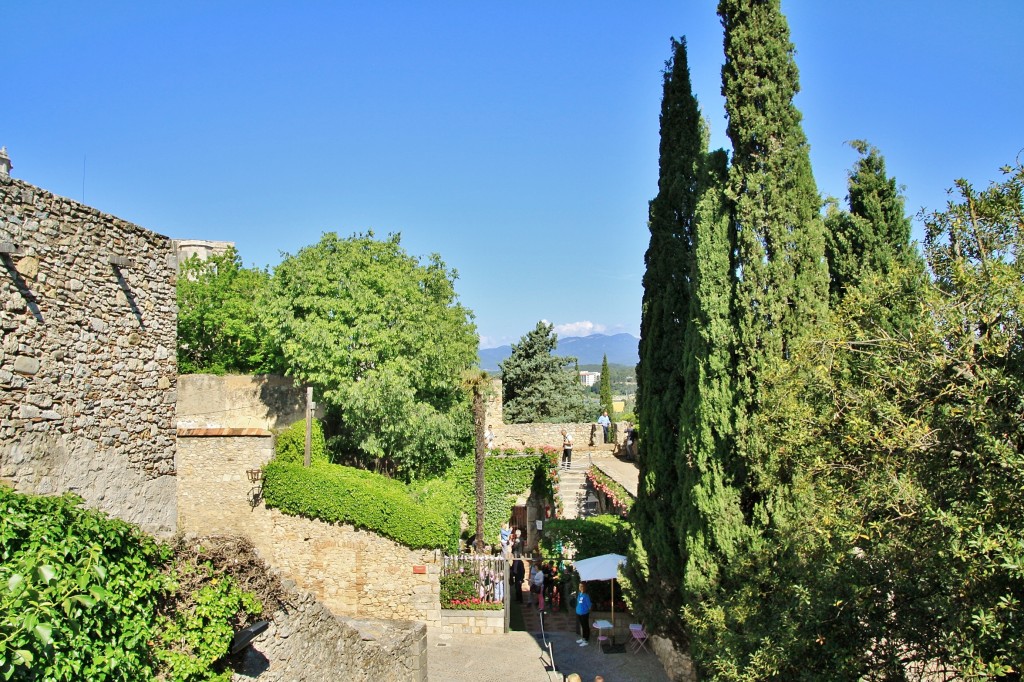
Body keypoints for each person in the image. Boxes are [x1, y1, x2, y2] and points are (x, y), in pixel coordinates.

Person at [575, 581, 592, 646]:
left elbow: (589, 605)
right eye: (579, 586)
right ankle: (583, 638)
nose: (580, 587)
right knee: (582, 626)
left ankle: (586, 640)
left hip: (584, 614)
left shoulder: (586, 596)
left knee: (585, 626)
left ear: (585, 587)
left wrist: (587, 610)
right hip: (579, 613)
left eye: (582, 586)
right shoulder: (579, 594)